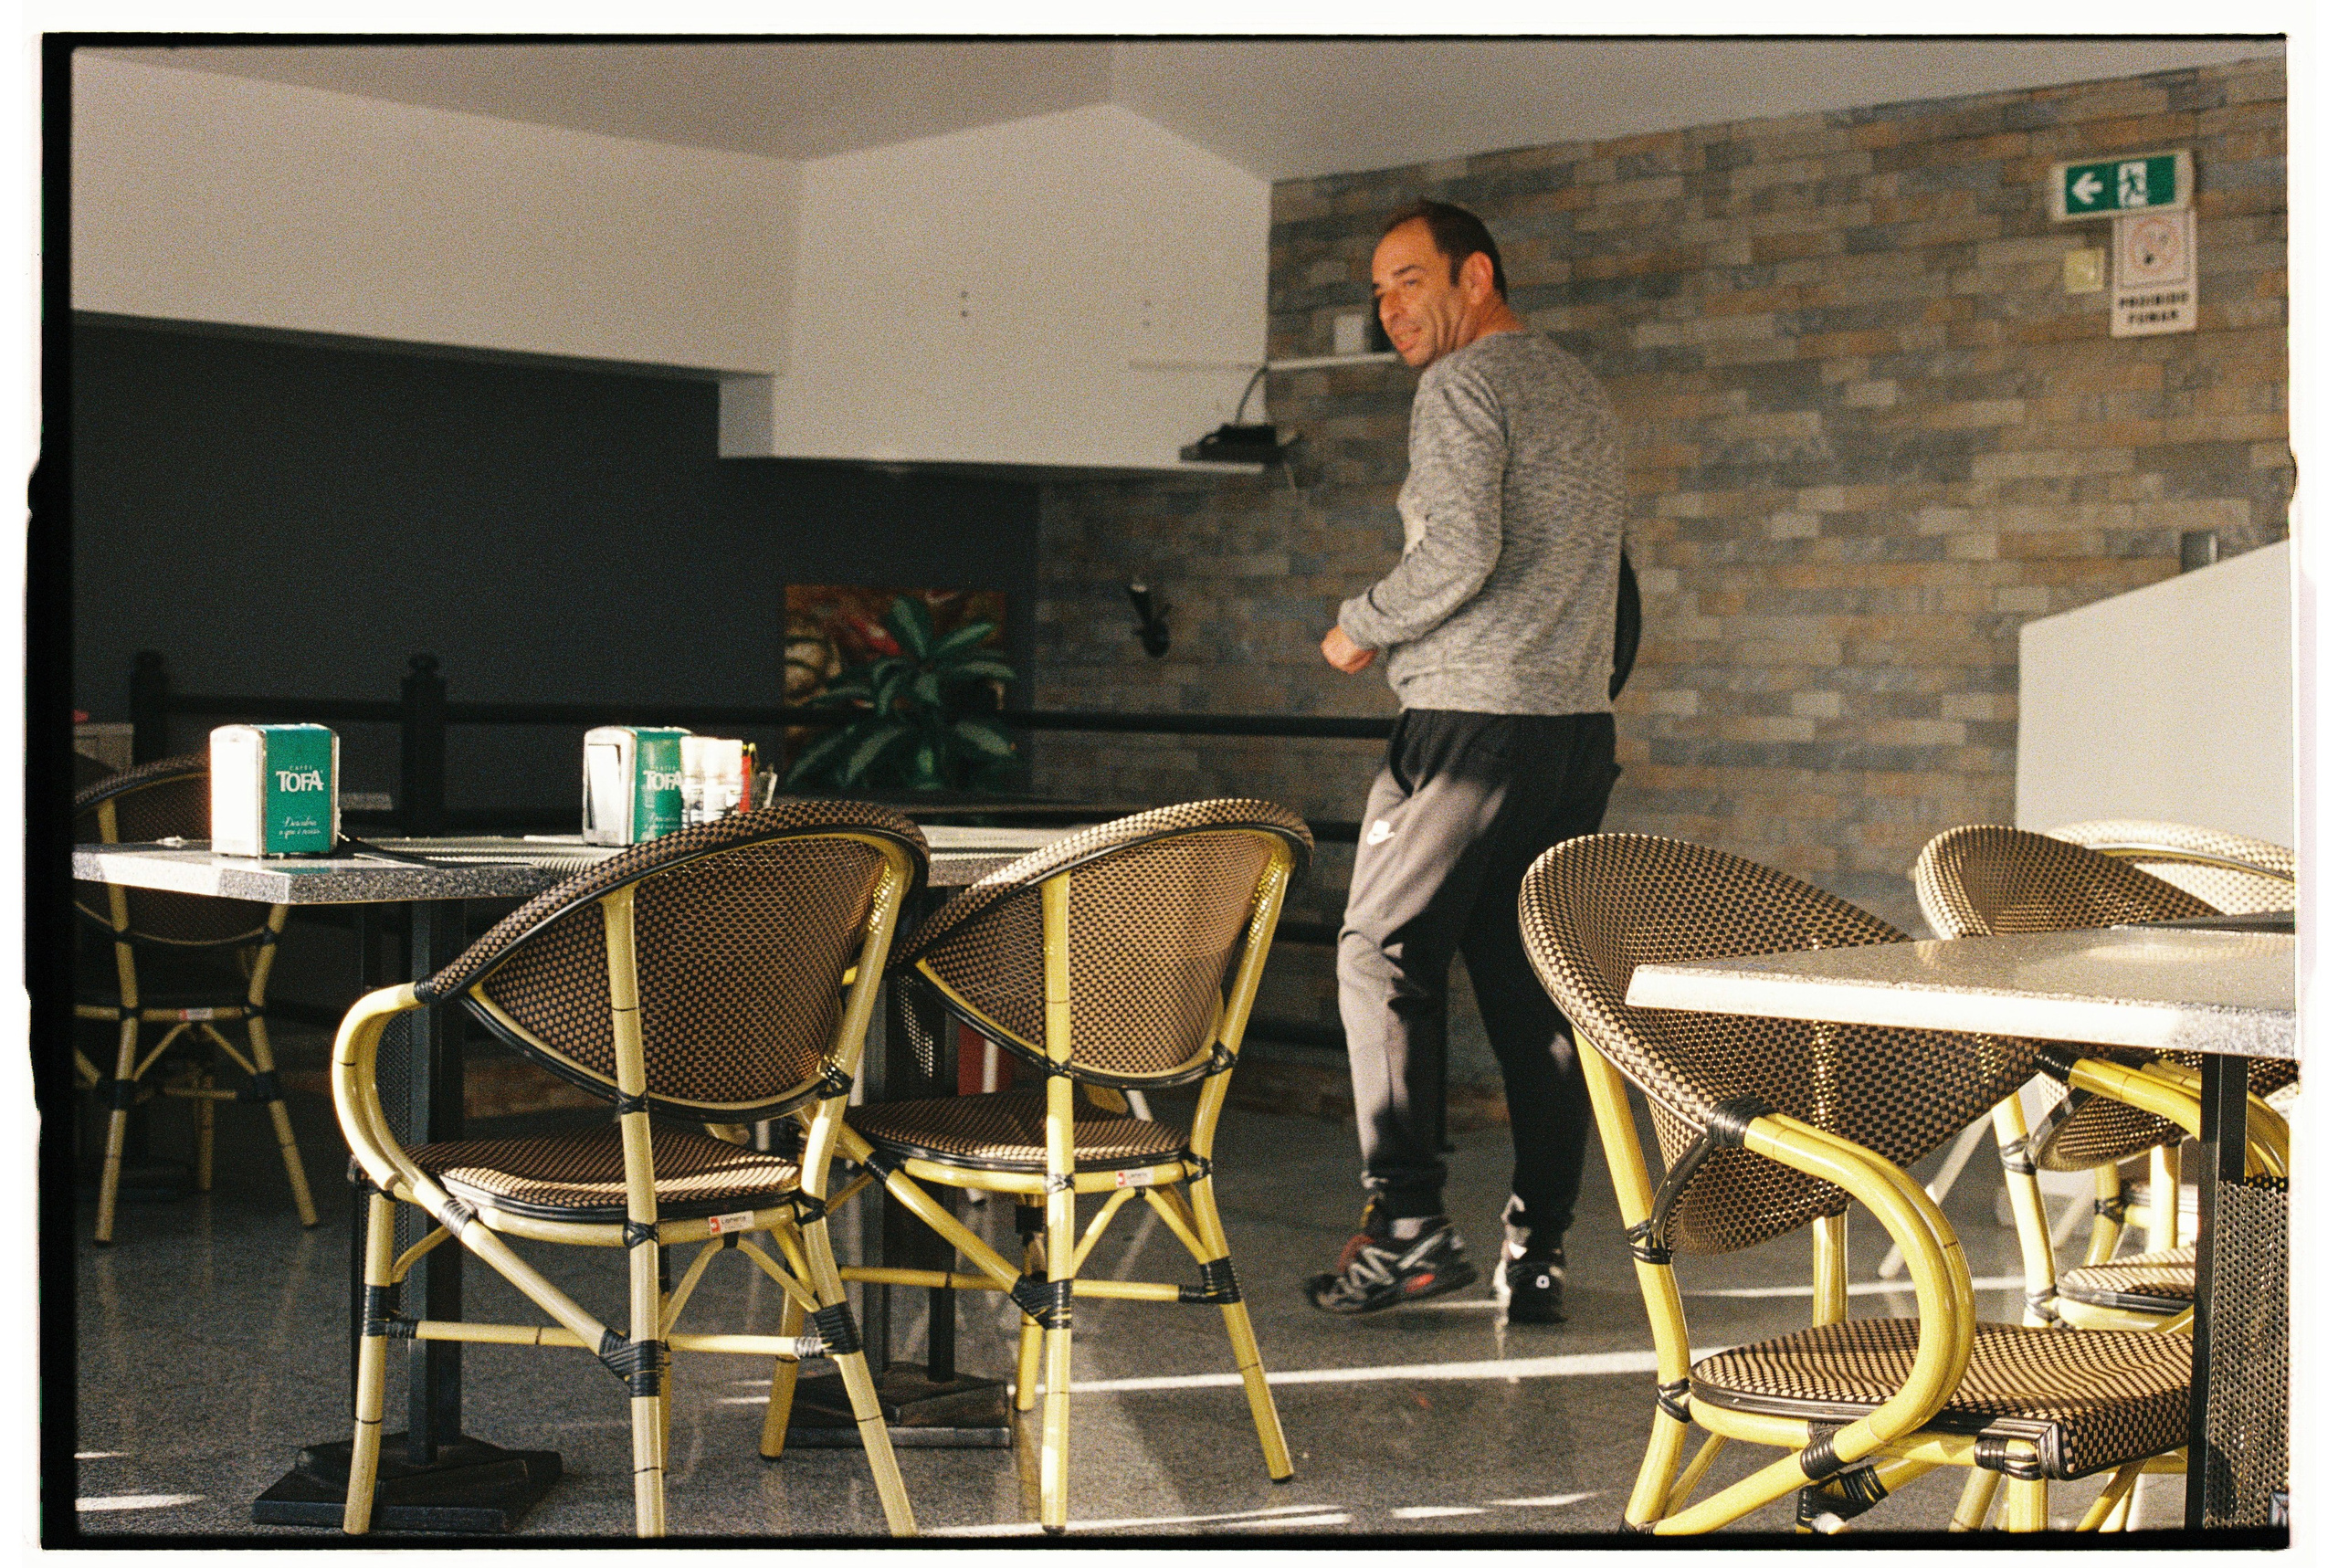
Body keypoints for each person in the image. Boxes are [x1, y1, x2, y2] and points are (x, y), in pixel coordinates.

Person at [1303, 200, 1625, 1323]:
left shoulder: (1460, 386)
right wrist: (1576, 687)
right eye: (1377, 291)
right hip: (1571, 732)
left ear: (1476, 274)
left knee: (1377, 952)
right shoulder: (1577, 391)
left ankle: (1406, 1228)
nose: (1390, 308)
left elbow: (1461, 547)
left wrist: (1361, 622)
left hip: (1470, 726)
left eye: (1408, 280)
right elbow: (1612, 584)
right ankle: (1538, 1248)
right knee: (1526, 982)